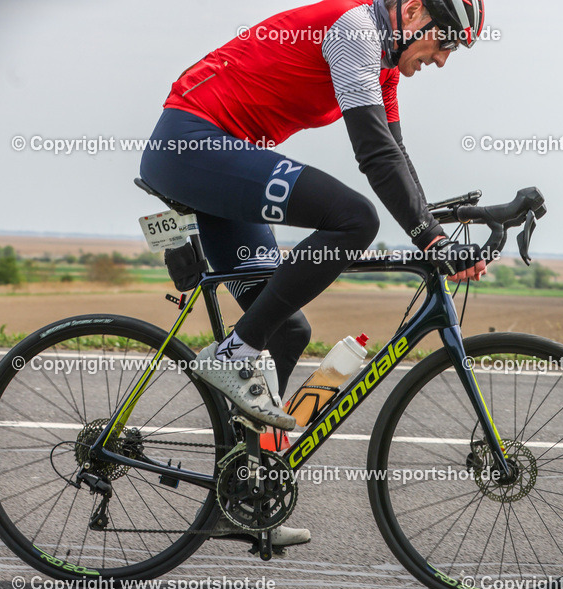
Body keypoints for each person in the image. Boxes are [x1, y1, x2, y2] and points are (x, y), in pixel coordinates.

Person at [139, 0, 487, 549]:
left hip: (224, 152)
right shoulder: (355, 29)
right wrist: (430, 239)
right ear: (413, 10)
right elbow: (372, 155)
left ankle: (238, 499)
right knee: (354, 219)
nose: (443, 60)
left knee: (286, 328)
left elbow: (396, 154)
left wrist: (440, 225)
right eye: (443, 43)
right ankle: (231, 355)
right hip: (193, 143)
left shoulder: (384, 67)